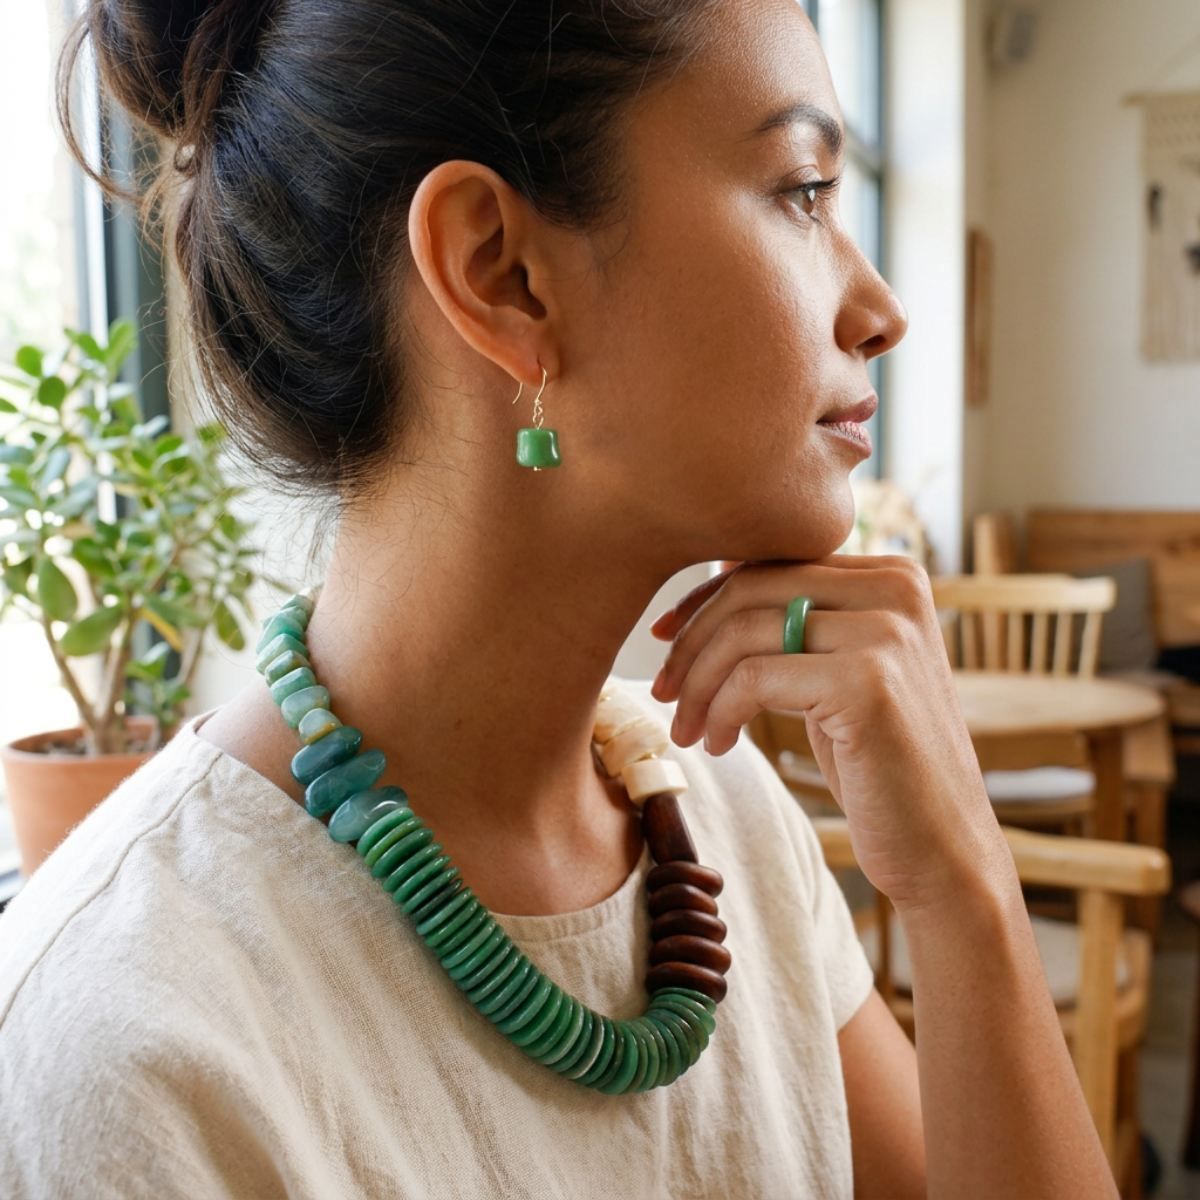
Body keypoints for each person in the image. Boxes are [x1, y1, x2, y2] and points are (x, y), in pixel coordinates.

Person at [0, 0, 1116, 1196]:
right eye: (802, 191)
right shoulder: (130, 1050)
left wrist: (964, 890)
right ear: (503, 274)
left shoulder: (723, 813)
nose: (882, 311)